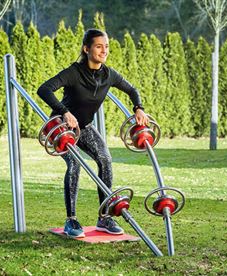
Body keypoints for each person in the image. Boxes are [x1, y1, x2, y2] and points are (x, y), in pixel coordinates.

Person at [37, 29, 149, 238]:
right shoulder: (73, 72)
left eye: (106, 46)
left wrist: (139, 108)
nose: (104, 50)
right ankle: (71, 221)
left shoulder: (109, 74)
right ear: (86, 48)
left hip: (85, 127)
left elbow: (133, 90)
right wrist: (64, 112)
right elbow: (44, 89)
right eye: (99, 46)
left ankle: (105, 217)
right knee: (75, 164)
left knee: (105, 159)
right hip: (60, 128)